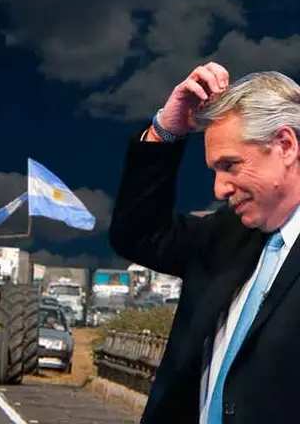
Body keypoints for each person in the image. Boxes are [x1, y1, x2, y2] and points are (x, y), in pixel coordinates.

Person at [109, 62, 300, 423]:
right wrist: (166, 131)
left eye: (230, 165)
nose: (218, 189)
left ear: (285, 145)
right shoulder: (223, 236)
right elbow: (137, 235)